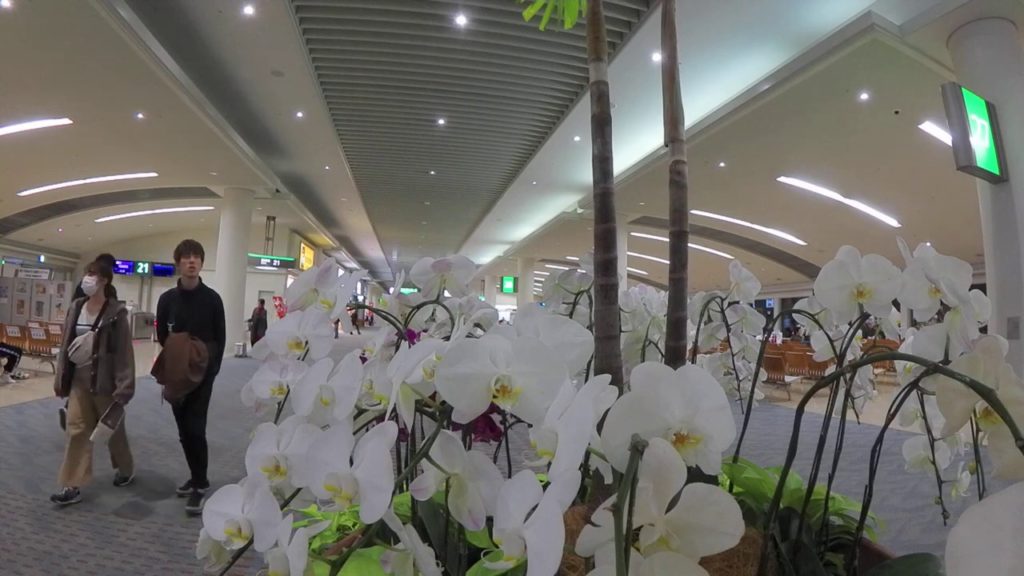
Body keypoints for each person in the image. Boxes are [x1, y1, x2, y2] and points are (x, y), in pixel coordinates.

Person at [51, 259, 135, 506]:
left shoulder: (116, 313)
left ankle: (125, 468)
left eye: (93, 274)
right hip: (79, 381)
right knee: (76, 429)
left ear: (105, 280)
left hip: (105, 383)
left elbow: (123, 352)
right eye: (87, 273)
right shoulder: (76, 307)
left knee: (112, 432)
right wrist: (60, 379)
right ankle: (72, 485)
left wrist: (124, 386)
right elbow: (66, 344)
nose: (87, 278)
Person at [156, 239, 225, 515]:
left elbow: (220, 338)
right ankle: (196, 475)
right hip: (176, 372)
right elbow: (162, 336)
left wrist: (211, 370)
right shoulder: (167, 300)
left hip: (203, 374)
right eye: (186, 257)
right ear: (178, 263)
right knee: (183, 430)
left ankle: (200, 483)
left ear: (202, 263)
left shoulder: (212, 299)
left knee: (196, 427)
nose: (191, 261)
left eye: (196, 257)